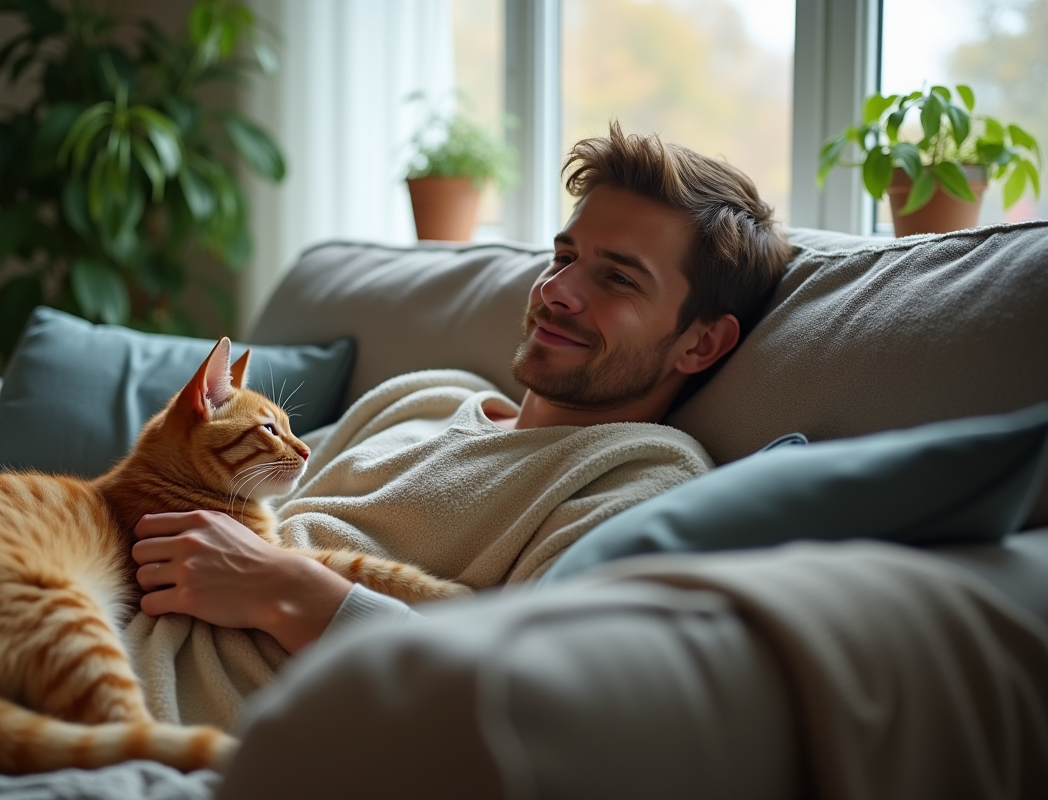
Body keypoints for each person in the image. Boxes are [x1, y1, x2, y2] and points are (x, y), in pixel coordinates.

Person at [130, 121, 792, 656]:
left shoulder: (639, 477)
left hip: (156, 719)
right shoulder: (426, 396)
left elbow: (531, 693)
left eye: (617, 279)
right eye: (564, 259)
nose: (555, 292)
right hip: (91, 621)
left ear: (701, 342)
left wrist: (289, 592)